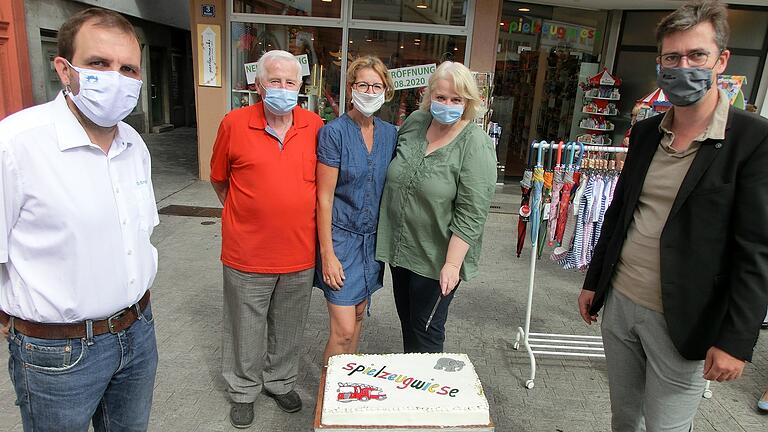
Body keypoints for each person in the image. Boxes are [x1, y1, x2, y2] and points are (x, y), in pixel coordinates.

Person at [576, 1, 768, 430]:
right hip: (622, 304)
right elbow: (619, 212)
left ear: (721, 60)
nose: (683, 67)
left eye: (696, 56)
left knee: (666, 427)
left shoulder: (753, 140)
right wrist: (594, 282)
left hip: (685, 319)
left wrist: (736, 340)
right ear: (660, 63)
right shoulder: (647, 131)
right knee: (625, 418)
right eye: (672, 57)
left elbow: (756, 251)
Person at [0, 8, 159, 431]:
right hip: (57, 353)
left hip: (137, 334)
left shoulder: (133, 145)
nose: (116, 78)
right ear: (64, 69)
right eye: (99, 64)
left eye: (128, 69)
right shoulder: (16, 145)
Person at [209, 50, 324, 428]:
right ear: (257, 85)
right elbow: (219, 179)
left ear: (300, 87)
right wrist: (248, 213)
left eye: (290, 82)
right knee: (245, 327)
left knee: (289, 326)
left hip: (299, 250)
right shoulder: (234, 123)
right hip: (247, 253)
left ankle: (279, 381)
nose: (282, 88)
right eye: (274, 81)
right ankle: (243, 390)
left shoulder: (315, 125)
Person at [376, 61, 497, 354]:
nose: (447, 104)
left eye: (456, 99)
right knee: (408, 322)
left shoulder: (476, 144)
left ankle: (430, 396)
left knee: (427, 332)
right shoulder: (417, 123)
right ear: (429, 95)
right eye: (441, 97)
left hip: (437, 260)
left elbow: (472, 213)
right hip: (402, 252)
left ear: (468, 101)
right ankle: (412, 383)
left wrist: (453, 265)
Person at [316, 56, 397, 365]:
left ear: (386, 91)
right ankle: (327, 401)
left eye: (377, 85)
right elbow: (323, 198)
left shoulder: (390, 134)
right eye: (363, 84)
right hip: (340, 240)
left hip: (371, 242)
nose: (369, 90)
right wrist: (328, 254)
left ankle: (345, 386)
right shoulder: (334, 133)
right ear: (351, 88)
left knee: (359, 315)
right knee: (343, 330)